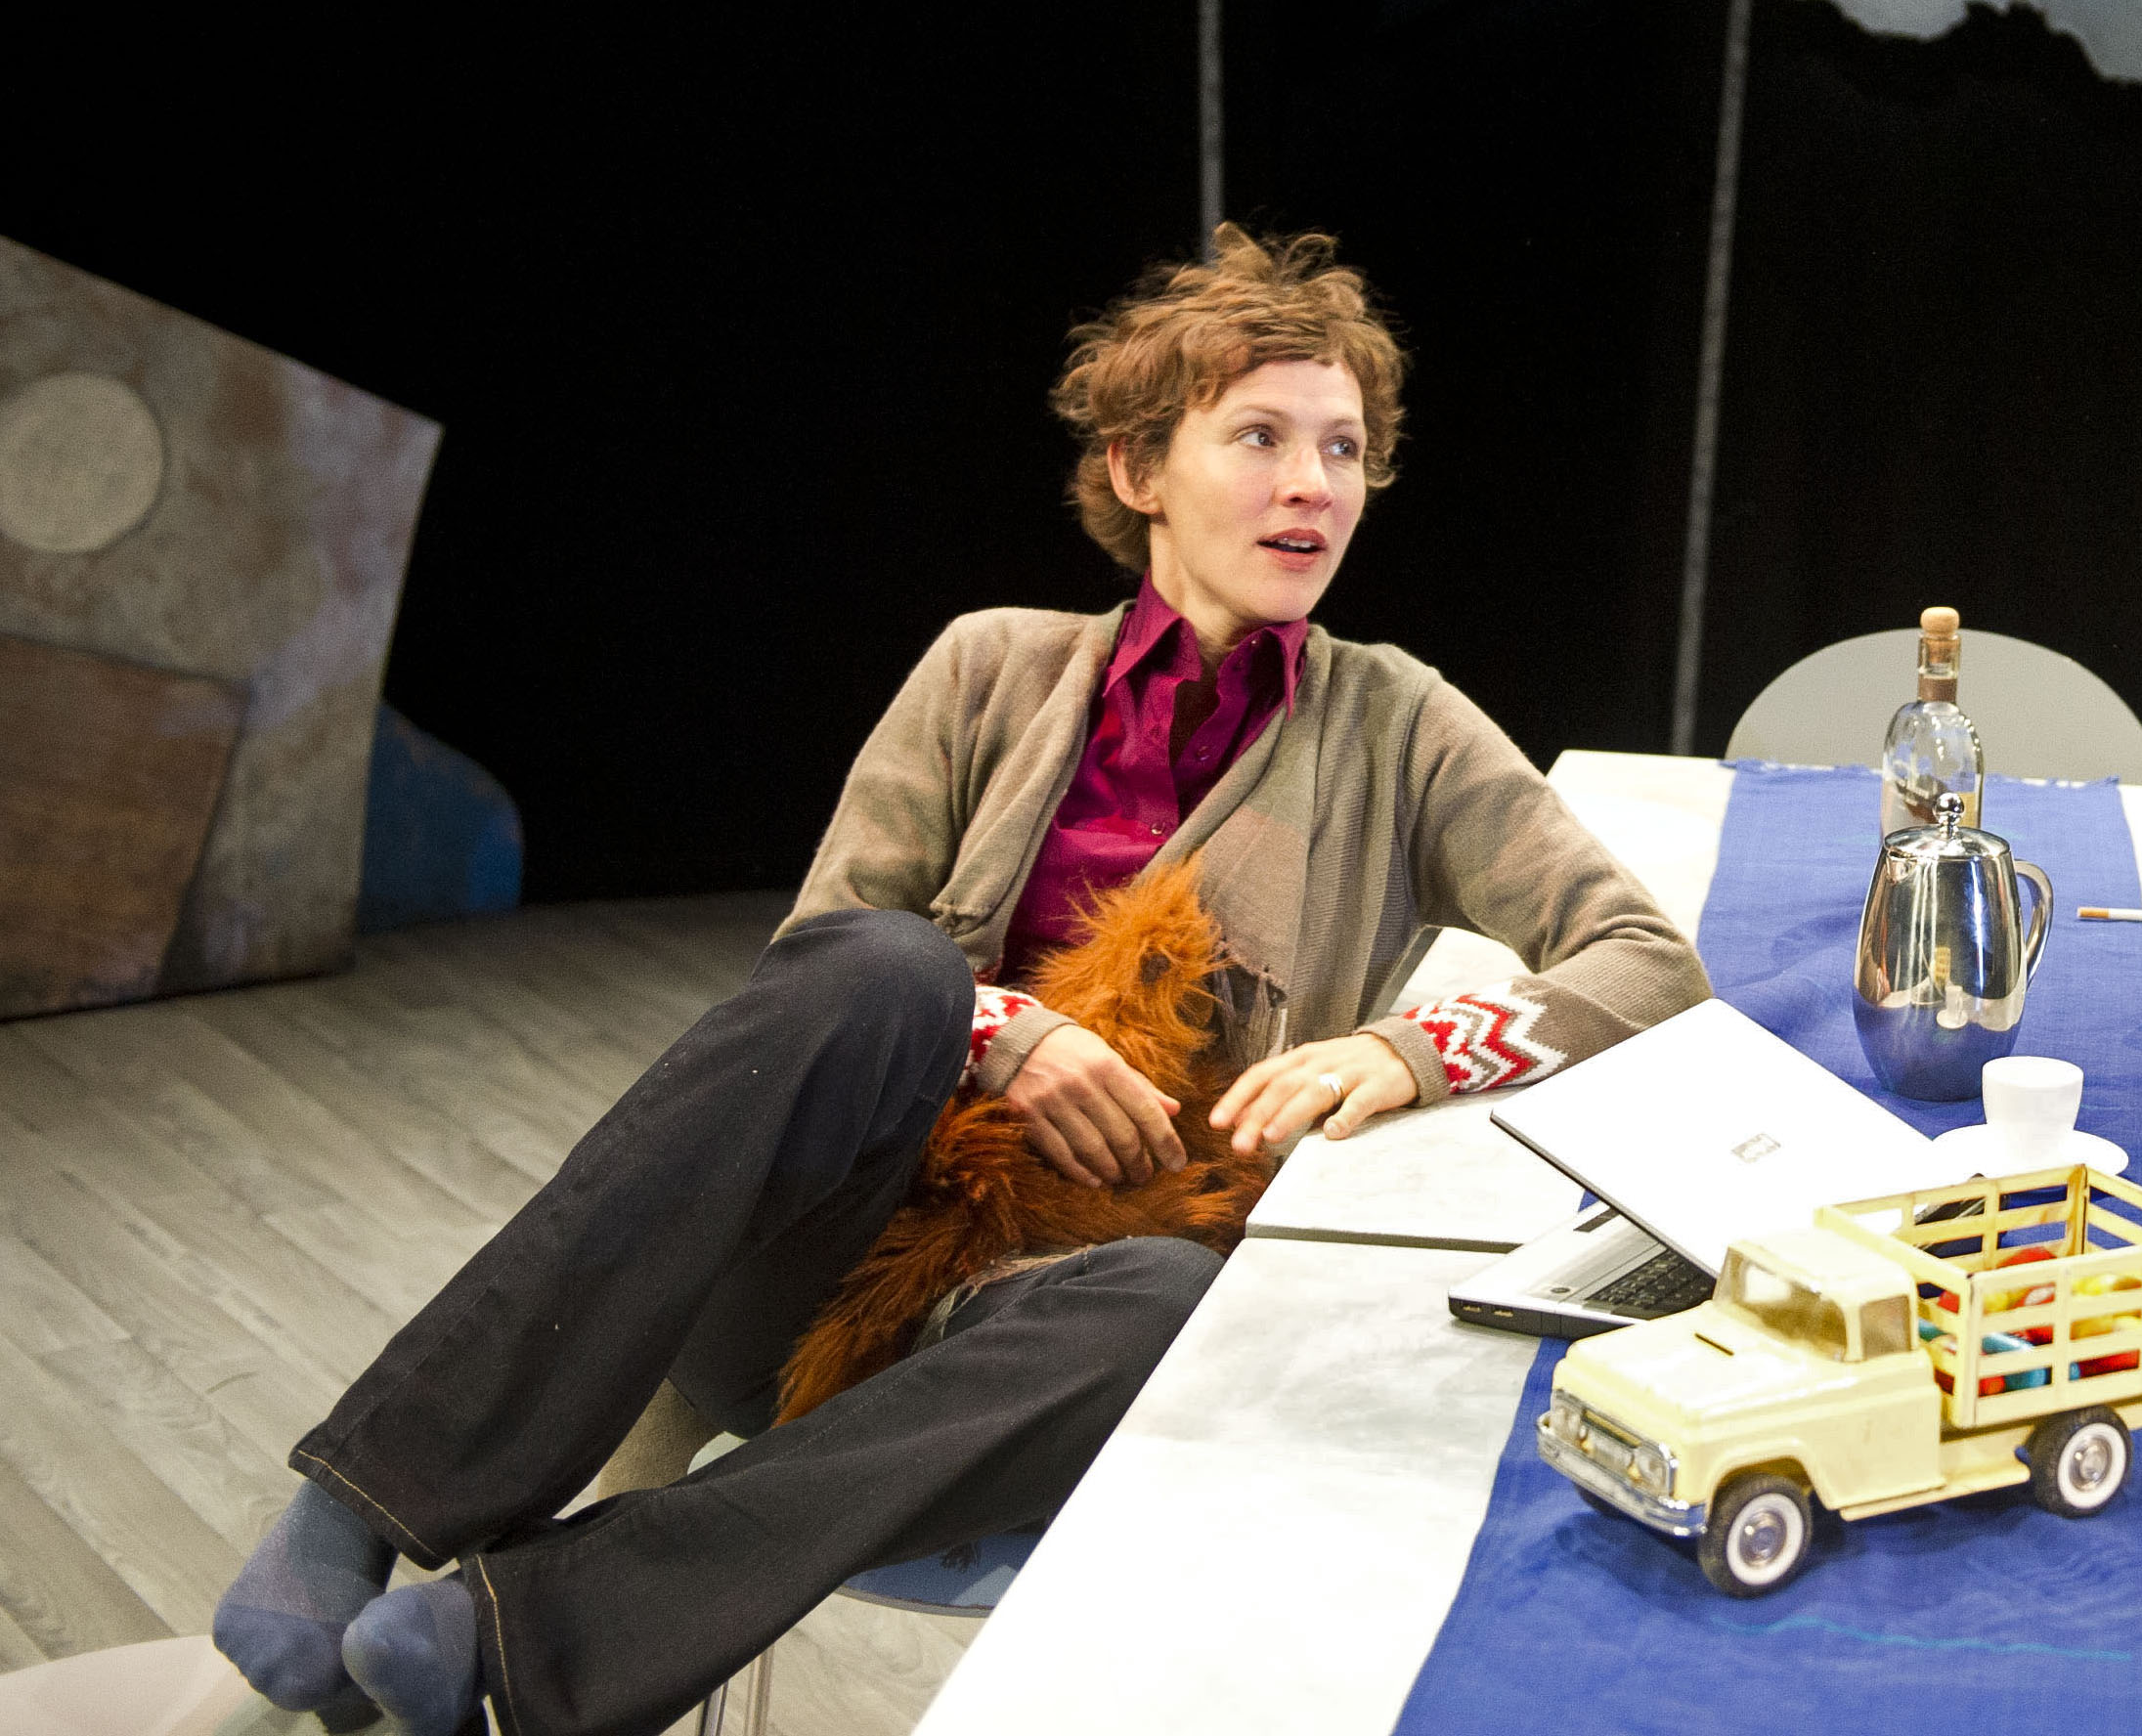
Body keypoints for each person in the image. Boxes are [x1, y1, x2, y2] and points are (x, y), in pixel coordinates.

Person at [213, 226, 1709, 1736]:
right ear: (1139, 470)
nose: (1313, 484)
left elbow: (1644, 957)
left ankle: (509, 1638)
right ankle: (358, 1502)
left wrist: (1403, 1048)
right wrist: (1002, 1031)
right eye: (1258, 436)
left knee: (1171, 1297)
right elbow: (813, 963)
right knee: (882, 968)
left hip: (1025, 1324)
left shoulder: (1401, 720)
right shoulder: (988, 664)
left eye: (1344, 447)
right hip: (804, 1263)